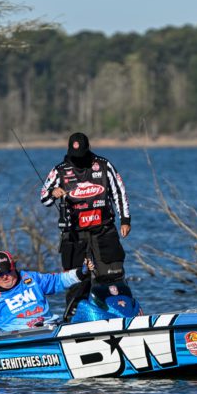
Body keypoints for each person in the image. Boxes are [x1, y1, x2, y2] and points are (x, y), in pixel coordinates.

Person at [40, 132, 131, 319]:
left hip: (104, 230)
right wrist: (53, 192)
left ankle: (119, 312)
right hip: (74, 235)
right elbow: (44, 198)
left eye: (81, 156)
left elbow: (119, 192)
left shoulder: (103, 165)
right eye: (75, 157)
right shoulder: (60, 170)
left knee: (112, 276)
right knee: (76, 281)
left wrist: (125, 220)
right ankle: (74, 318)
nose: (79, 161)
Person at [0, 250, 91, 332]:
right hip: (18, 339)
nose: (5, 276)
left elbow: (57, 280)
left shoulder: (30, 278)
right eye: (0, 274)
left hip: (51, 329)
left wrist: (81, 272)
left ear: (13, 267)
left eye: (8, 271)